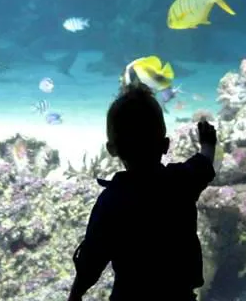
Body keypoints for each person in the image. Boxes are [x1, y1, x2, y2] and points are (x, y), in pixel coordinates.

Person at [67, 67, 217, 301]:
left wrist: (74, 296)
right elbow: (204, 163)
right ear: (165, 145)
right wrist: (208, 143)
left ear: (112, 150)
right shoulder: (181, 182)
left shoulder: (111, 201)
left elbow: (91, 260)